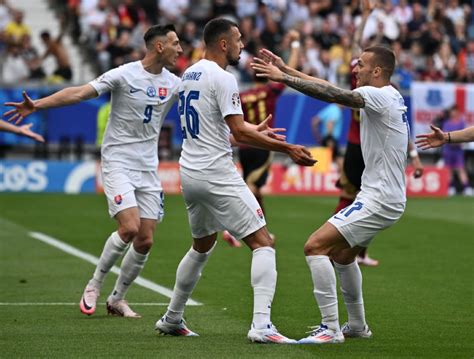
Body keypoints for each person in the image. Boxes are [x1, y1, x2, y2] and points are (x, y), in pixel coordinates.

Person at [4, 24, 183, 318]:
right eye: (175, 43)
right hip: (118, 161)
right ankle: (94, 284)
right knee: (129, 227)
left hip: (148, 167)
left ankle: (117, 299)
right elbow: (78, 93)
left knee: (146, 239)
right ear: (159, 47)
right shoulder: (123, 74)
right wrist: (37, 105)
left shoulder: (174, 83)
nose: (181, 49)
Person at [154, 18, 316, 343]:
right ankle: (261, 325)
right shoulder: (223, 77)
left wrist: (252, 131)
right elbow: (238, 132)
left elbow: (223, 126)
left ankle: (172, 317)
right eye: (239, 39)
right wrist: (287, 148)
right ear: (224, 43)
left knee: (202, 246)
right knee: (263, 242)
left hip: (190, 171)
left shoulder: (189, 74)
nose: (243, 45)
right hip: (216, 173)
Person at [252, 44, 410, 344]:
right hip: (380, 196)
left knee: (314, 247)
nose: (355, 68)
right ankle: (357, 326)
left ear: (377, 71)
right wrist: (286, 69)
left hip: (380, 199)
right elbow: (330, 86)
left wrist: (284, 80)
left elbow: (334, 94)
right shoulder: (385, 96)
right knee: (342, 255)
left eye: (361, 65)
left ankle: (330, 329)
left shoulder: (378, 96)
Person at [334, 0, 423, 267]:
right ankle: (338, 244)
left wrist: (414, 154)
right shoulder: (359, 80)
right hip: (356, 144)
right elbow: (354, 45)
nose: (356, 67)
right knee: (352, 197)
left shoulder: (386, 94)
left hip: (373, 148)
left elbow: (402, 128)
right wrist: (365, 16)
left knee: (369, 199)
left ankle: (356, 252)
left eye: (362, 63)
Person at [222, 29, 301, 248]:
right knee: (251, 187)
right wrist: (295, 46)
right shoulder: (270, 91)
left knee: (255, 189)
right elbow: (289, 74)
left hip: (245, 144)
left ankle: (262, 229)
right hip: (262, 144)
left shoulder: (242, 96)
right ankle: (233, 229)